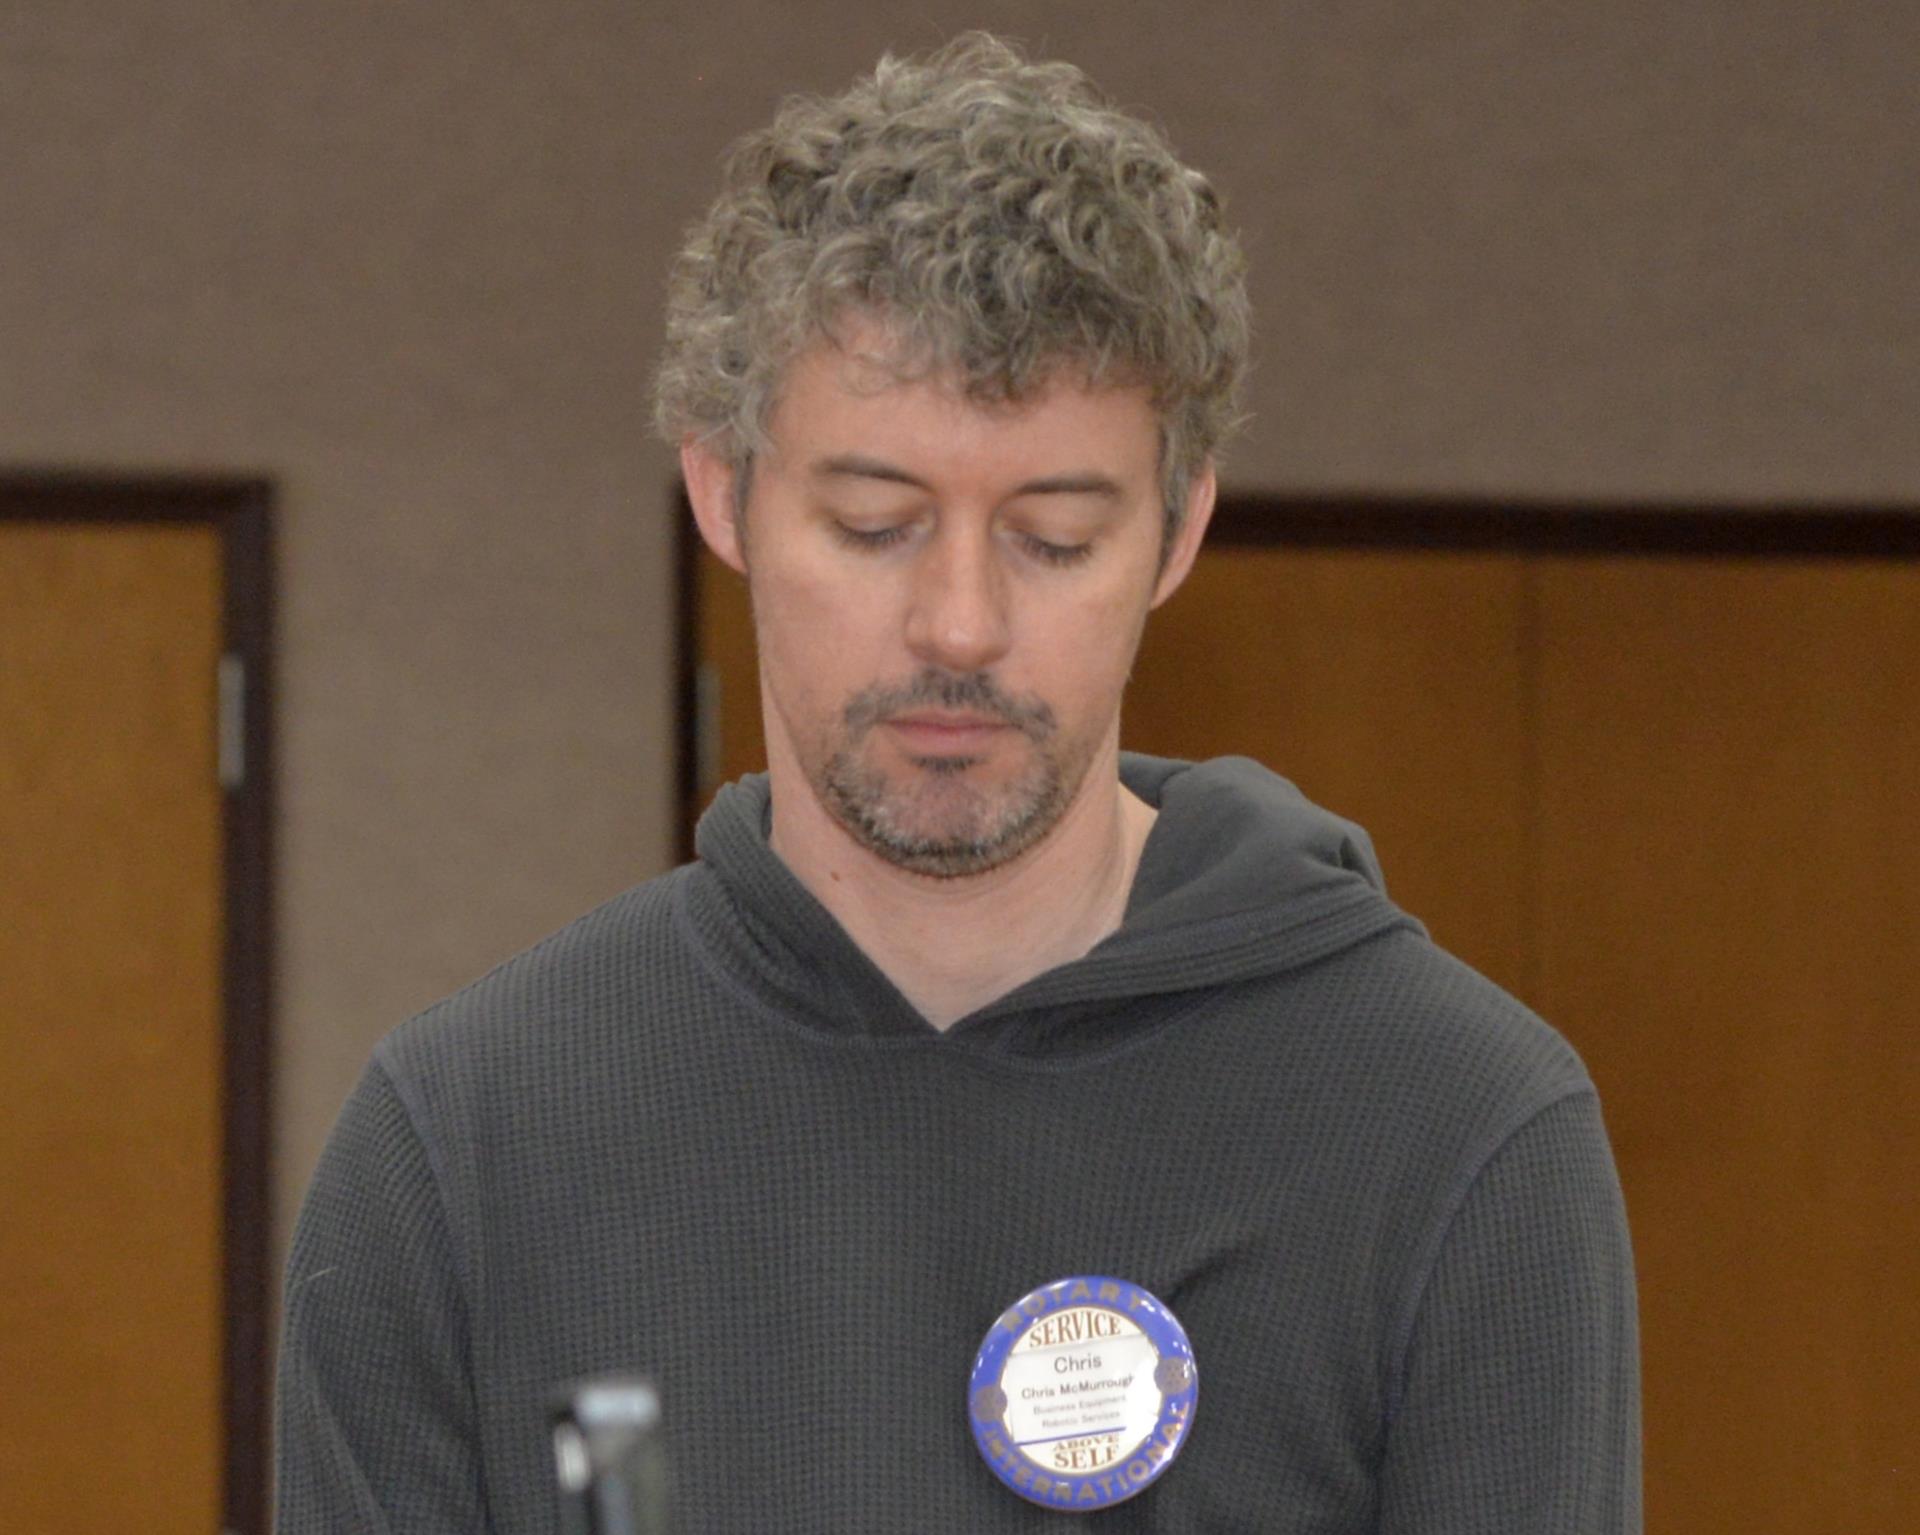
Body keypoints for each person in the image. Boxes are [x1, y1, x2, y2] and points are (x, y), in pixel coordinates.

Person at [276, 33, 1640, 1533]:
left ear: (1179, 532)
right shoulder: (473, 1144)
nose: (961, 625)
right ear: (723, 492)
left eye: (1054, 538)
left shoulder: (1453, 1130)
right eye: (876, 523)